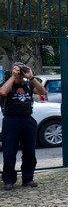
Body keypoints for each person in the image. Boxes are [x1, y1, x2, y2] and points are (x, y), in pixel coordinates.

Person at [1, 62, 47, 191]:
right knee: (9, 152)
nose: (20, 71)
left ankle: (28, 178)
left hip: (27, 119)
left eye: (22, 68)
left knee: (29, 152)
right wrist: (13, 76)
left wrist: (31, 77)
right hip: (11, 120)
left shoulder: (28, 84)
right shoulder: (7, 84)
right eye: (18, 68)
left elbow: (42, 91)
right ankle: (9, 179)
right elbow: (3, 92)